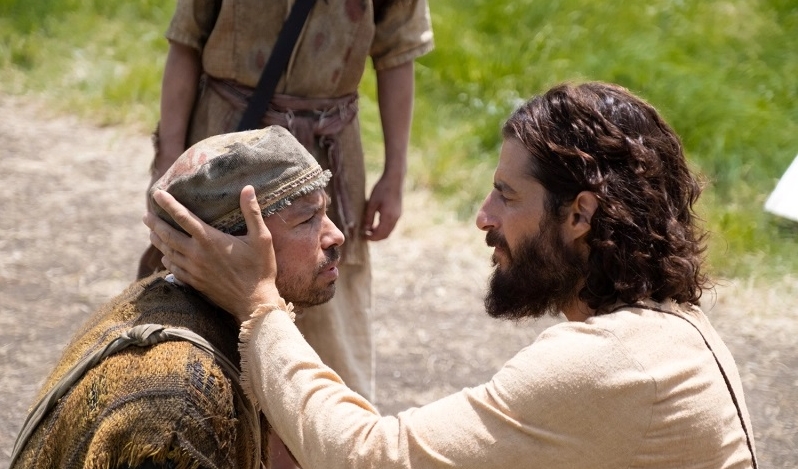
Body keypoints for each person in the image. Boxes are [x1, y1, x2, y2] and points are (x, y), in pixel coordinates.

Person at [145, 82, 759, 468]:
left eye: (506, 196)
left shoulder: (612, 365)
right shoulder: (673, 331)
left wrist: (259, 306)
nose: (483, 218)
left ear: (580, 215)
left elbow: (367, 459)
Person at [139, 0, 435, 411]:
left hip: (328, 157)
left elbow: (397, 53)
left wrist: (396, 173)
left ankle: (336, 437)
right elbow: (187, 41)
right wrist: (168, 159)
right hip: (226, 148)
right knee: (203, 307)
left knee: (329, 308)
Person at [10, 126, 344, 469]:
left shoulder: (168, 303)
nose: (336, 235)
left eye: (325, 212)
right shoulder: (181, 403)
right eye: (307, 219)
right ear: (227, 247)